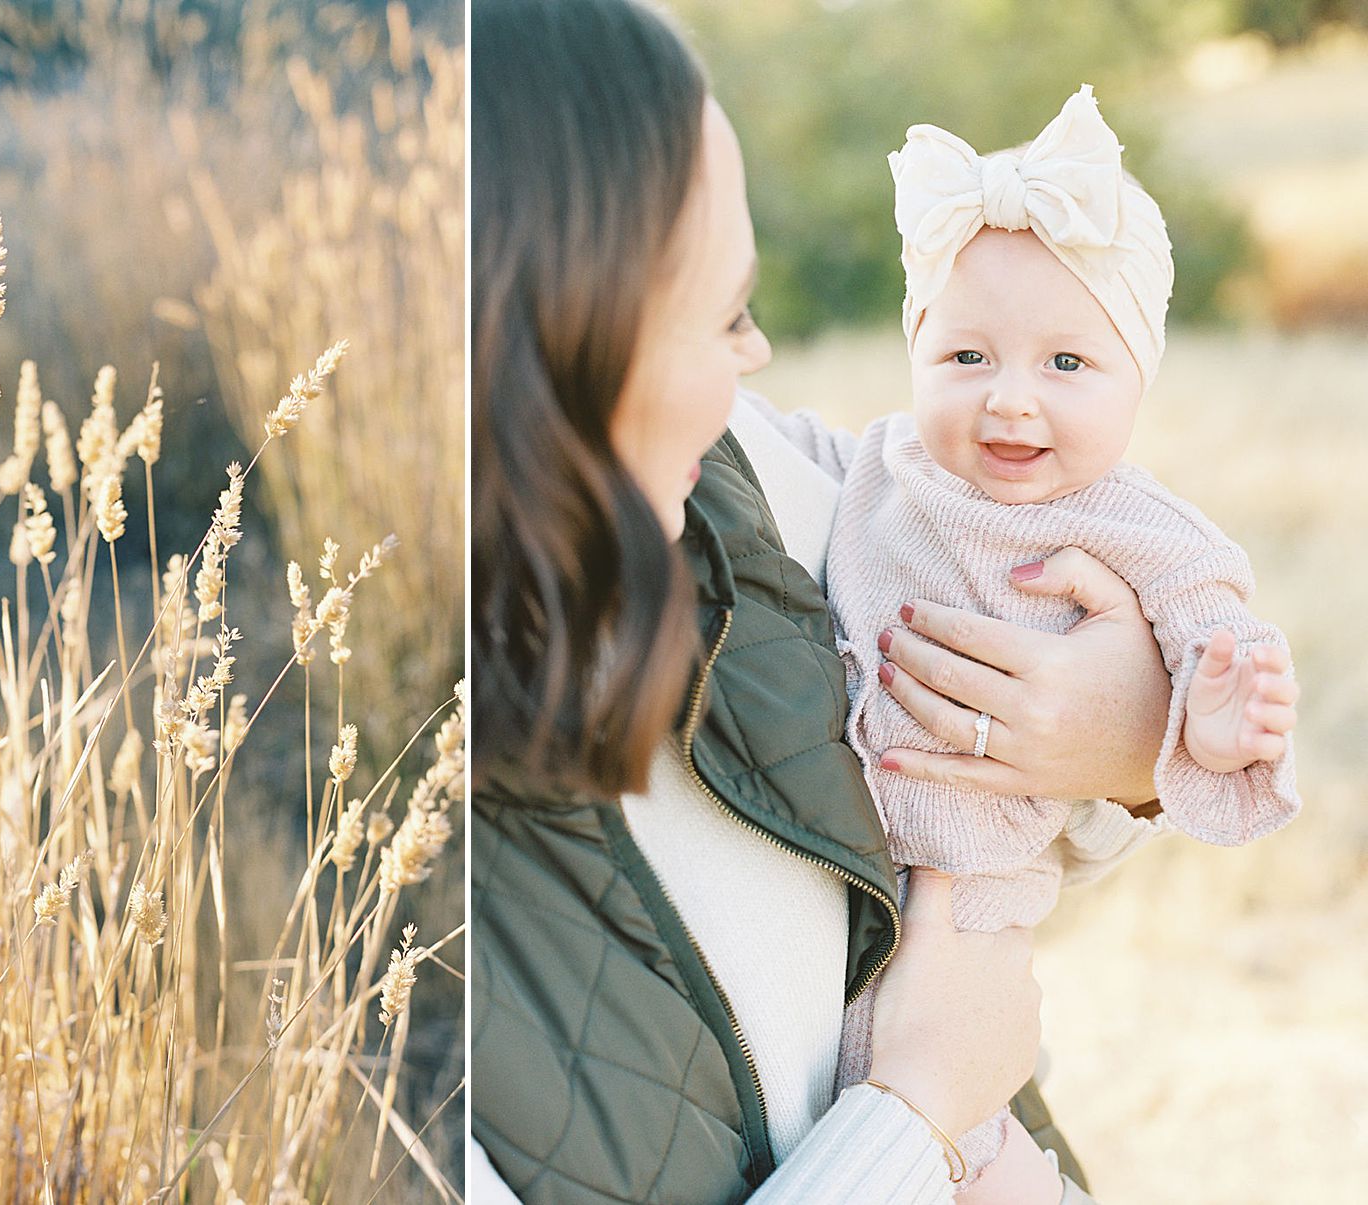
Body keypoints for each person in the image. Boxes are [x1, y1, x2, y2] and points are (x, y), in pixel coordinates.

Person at [472, 1, 1183, 1202]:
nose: (755, 363)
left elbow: (968, 806)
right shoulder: (380, 933)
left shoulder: (729, 483)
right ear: (564, 349)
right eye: (727, 313)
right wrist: (916, 1118)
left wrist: (1123, 740)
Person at [765, 85, 1303, 1194]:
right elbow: (771, 456)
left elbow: (1207, 616)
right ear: (916, 351)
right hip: (836, 869)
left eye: (1067, 365)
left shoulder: (1124, 520)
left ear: (1135, 378)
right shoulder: (883, 464)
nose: (1012, 401)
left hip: (971, 891)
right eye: (967, 356)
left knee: (960, 1132)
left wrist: (1210, 706)